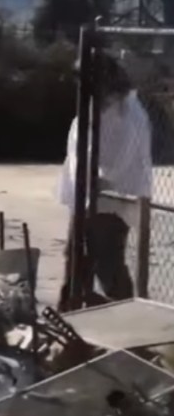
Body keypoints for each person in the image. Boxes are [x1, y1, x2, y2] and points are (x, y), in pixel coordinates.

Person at [57, 54, 152, 310]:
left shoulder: (125, 112)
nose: (79, 87)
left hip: (110, 199)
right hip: (87, 196)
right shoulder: (98, 107)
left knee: (107, 264)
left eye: (83, 81)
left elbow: (126, 153)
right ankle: (69, 318)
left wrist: (101, 179)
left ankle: (126, 321)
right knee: (76, 259)